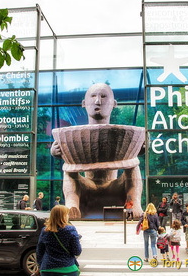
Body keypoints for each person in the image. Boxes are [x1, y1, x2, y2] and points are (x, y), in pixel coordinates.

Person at [51, 83, 144, 219]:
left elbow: (131, 155)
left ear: (114, 103)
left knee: (134, 166)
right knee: (69, 171)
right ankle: (72, 204)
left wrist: (138, 149)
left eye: (104, 96)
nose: (98, 101)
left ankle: (134, 202)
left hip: (114, 187)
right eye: (93, 96)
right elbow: (65, 154)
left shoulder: (119, 134)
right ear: (84, 103)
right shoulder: (74, 136)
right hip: (87, 187)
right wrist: (55, 152)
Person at [34, 205, 82, 276]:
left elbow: (39, 251)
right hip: (67, 268)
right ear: (64, 216)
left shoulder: (45, 231)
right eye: (67, 214)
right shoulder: (70, 230)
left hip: (47, 269)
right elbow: (77, 251)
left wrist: (40, 266)